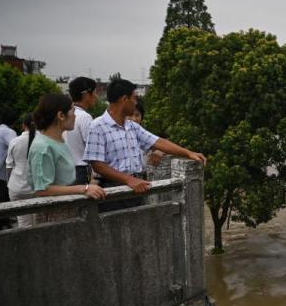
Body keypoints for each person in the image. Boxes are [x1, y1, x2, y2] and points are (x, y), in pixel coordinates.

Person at [84, 79, 205, 211]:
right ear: (125, 99)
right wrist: (128, 180)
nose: (136, 103)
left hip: (137, 188)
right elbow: (98, 165)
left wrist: (188, 153)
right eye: (134, 98)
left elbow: (158, 142)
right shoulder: (97, 126)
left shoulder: (131, 126)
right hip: (112, 191)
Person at [28, 94, 106, 201]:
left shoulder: (58, 140)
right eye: (73, 111)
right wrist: (84, 188)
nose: (75, 116)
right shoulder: (43, 147)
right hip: (53, 214)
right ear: (61, 116)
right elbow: (42, 189)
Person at [63, 77, 98, 184]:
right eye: (94, 93)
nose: (96, 97)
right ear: (86, 94)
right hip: (80, 170)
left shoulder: (65, 114)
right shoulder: (85, 117)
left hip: (64, 169)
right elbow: (92, 148)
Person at [5, 113, 37, 227]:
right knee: (37, 222)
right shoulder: (44, 141)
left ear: (24, 125)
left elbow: (9, 165)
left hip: (16, 187)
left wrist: (9, 183)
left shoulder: (14, 141)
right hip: (37, 188)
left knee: (24, 223)